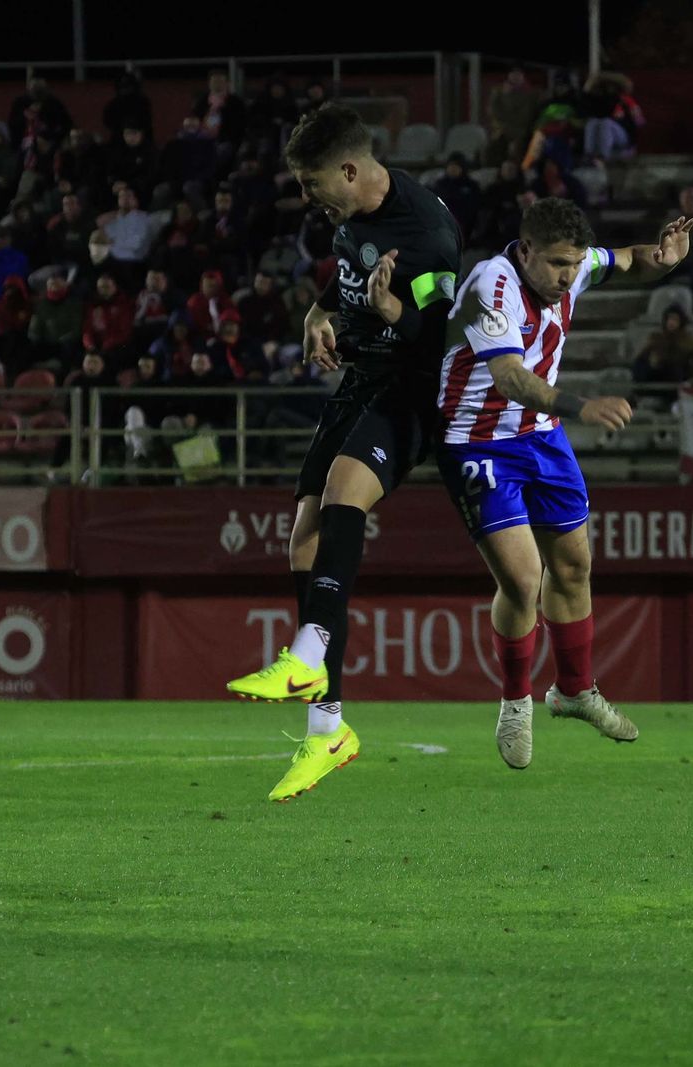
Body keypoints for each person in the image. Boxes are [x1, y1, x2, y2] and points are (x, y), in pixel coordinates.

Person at [223, 105, 463, 802]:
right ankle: (327, 729)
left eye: (312, 182)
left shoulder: (427, 234)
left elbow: (438, 336)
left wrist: (393, 315)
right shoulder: (355, 216)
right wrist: (321, 310)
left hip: (411, 392)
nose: (308, 196)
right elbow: (351, 276)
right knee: (301, 543)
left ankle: (306, 652)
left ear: (350, 170)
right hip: (361, 380)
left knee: (343, 492)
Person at [436, 199, 691, 769]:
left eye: (573, 264)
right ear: (524, 251)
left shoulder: (572, 267)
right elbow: (511, 379)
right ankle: (514, 701)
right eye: (555, 264)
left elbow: (624, 259)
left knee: (574, 567)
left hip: (542, 439)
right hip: (477, 440)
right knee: (525, 581)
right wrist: (582, 404)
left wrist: (663, 259)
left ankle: (573, 691)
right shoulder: (491, 286)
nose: (566, 277)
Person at [631, 306, 693, 388]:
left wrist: (688, 373)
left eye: (675, 320)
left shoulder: (688, 340)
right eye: (669, 319)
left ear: (681, 322)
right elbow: (642, 356)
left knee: (674, 370)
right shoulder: (657, 337)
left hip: (676, 376)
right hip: (657, 373)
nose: (671, 322)